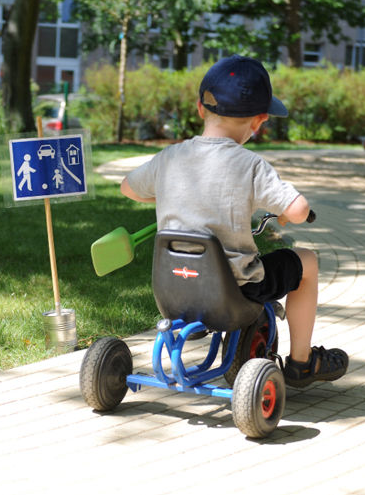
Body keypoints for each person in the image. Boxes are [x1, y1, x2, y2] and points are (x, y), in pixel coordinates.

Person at [120, 55, 349, 387]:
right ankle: (302, 361)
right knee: (307, 263)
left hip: (173, 289)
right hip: (235, 290)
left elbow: (128, 187)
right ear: (258, 122)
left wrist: (171, 193)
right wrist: (287, 212)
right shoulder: (250, 166)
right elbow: (299, 210)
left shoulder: (170, 158)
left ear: (201, 109)